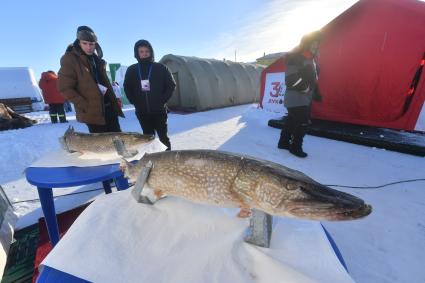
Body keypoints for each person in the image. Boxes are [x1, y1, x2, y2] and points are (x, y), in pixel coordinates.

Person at [58, 26, 124, 133]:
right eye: (85, 43)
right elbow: (64, 88)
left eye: (91, 44)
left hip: (108, 108)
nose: (89, 47)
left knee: (118, 140)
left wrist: (113, 101)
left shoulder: (96, 59)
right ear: (79, 42)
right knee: (102, 146)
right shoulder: (70, 59)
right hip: (92, 112)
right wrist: (84, 104)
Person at [124, 39, 176, 150]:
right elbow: (127, 87)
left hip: (159, 111)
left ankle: (167, 160)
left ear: (151, 52)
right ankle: (152, 159)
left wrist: (162, 100)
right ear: (137, 53)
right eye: (141, 51)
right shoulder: (132, 70)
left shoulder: (161, 68)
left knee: (163, 138)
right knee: (148, 138)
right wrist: (134, 101)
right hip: (142, 112)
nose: (144, 53)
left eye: (147, 51)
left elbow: (171, 85)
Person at [277, 31, 322, 158]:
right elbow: (290, 79)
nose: (316, 47)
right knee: (303, 122)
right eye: (313, 44)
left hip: (303, 99)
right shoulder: (296, 58)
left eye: (317, 44)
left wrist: (316, 92)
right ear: (306, 44)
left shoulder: (310, 60)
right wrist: (306, 88)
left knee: (291, 121)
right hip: (296, 99)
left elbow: (313, 79)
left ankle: (283, 143)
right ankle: (295, 147)